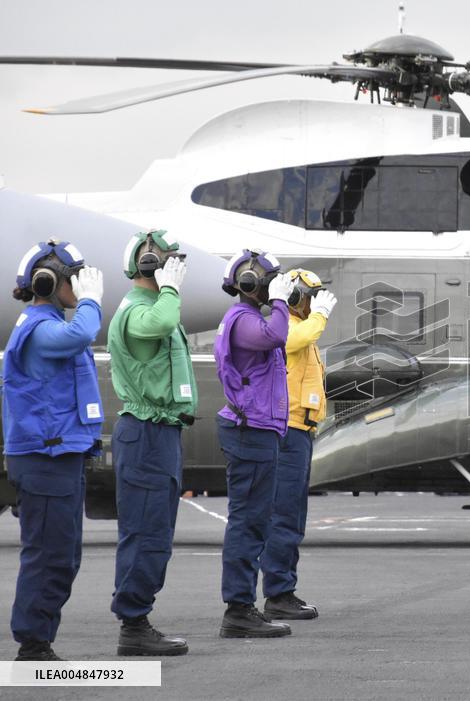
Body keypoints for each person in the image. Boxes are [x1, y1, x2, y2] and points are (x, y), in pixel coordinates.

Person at [3, 240, 104, 661]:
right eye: (74, 278)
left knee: (62, 555)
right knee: (49, 556)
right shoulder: (41, 329)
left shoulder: (49, 324)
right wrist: (92, 302)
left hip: (60, 456)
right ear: (49, 282)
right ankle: (33, 646)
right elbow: (83, 331)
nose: (80, 287)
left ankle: (38, 640)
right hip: (45, 460)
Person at [107, 230, 194, 656]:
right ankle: (134, 625)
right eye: (166, 260)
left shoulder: (152, 304)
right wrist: (171, 287)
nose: (175, 267)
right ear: (147, 264)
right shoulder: (140, 309)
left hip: (160, 432)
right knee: (145, 532)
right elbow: (161, 323)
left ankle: (137, 619)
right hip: (145, 433)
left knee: (156, 531)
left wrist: (169, 288)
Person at [214, 249, 296, 638]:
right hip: (250, 432)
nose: (275, 288)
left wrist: (278, 299)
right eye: (270, 281)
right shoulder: (244, 320)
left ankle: (243, 605)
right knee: (247, 521)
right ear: (251, 284)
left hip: (260, 430)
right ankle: (238, 610)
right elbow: (277, 334)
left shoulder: (249, 318)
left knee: (255, 520)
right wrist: (279, 300)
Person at [260, 269, 336, 620]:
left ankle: (283, 589)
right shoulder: (285, 326)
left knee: (293, 515)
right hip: (287, 432)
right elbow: (295, 339)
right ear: (293, 297)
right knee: (284, 515)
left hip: (300, 432)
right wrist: (319, 314)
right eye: (309, 296)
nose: (314, 303)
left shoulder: (302, 328)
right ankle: (278, 593)